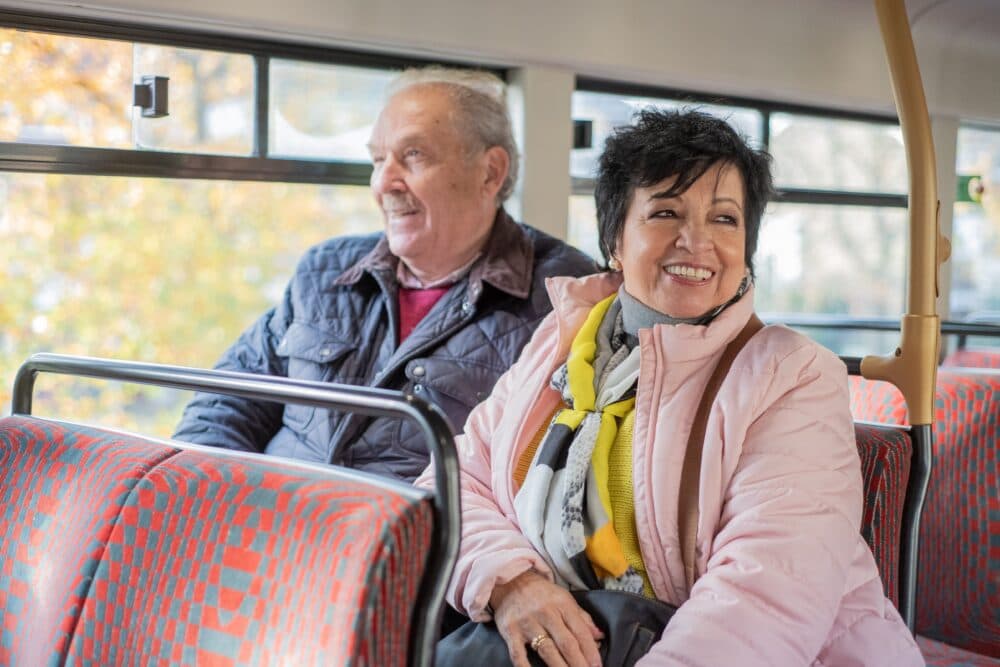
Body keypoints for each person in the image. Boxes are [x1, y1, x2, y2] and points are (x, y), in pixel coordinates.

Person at [416, 109, 924, 666]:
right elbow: (453, 477)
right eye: (665, 212)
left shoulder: (792, 374)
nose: (696, 242)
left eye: (725, 220)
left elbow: (764, 594)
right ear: (615, 240)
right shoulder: (563, 346)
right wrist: (513, 583)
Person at [172, 67, 596, 482]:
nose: (384, 182)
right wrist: (193, 493)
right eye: (378, 159)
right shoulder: (324, 271)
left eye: (413, 156)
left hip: (420, 543)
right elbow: (227, 401)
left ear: (490, 172)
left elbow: (547, 480)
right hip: (274, 528)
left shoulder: (565, 298)